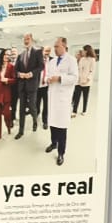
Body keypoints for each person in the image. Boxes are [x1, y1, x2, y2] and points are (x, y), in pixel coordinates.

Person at [43, 36, 78, 166]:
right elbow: (47, 75)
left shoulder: (71, 60)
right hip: (52, 97)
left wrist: (59, 78)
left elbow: (75, 78)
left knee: (61, 126)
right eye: (54, 46)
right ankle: (53, 143)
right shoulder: (51, 62)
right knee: (52, 123)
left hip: (63, 98)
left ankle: (61, 153)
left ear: (64, 46)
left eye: (57, 46)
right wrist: (47, 79)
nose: (55, 49)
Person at [12, 33, 43, 139]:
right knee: (21, 109)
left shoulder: (38, 52)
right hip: (22, 86)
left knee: (32, 107)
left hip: (32, 85)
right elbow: (15, 70)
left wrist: (31, 73)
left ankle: (35, 121)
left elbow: (41, 66)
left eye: (28, 39)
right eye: (24, 39)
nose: (26, 41)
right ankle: (21, 131)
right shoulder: (21, 55)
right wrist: (19, 74)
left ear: (32, 40)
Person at [0, 49, 16, 142]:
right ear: (2, 55)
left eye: (8, 55)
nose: (7, 56)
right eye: (5, 54)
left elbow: (14, 80)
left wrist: (7, 80)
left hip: (6, 94)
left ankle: (8, 126)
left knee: (6, 114)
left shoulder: (11, 67)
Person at [73, 45, 95, 115]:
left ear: (87, 51)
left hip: (86, 82)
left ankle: (84, 110)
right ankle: (74, 111)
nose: (82, 51)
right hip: (78, 81)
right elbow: (79, 69)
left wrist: (87, 79)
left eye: (83, 50)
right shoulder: (82, 59)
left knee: (85, 97)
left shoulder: (92, 59)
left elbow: (92, 71)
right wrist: (77, 78)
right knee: (76, 97)